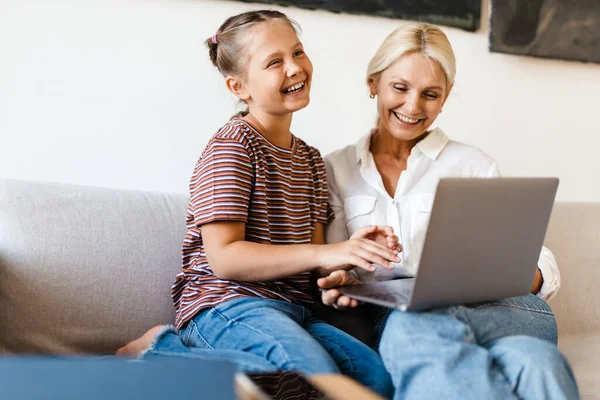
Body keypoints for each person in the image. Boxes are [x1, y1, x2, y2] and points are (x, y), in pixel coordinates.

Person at [116, 10, 398, 398]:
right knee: (312, 382)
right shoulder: (233, 145)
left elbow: (310, 263)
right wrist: (325, 251)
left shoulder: (313, 161)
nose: (295, 68)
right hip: (225, 306)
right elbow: (225, 258)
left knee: (376, 382)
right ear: (239, 86)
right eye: (274, 62)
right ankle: (157, 350)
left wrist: (345, 263)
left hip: (294, 312)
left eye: (297, 53)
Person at [317, 22, 580, 400]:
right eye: (400, 87)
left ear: (445, 98)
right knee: (533, 360)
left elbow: (541, 263)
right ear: (373, 82)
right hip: (393, 319)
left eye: (430, 94)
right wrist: (339, 280)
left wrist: (504, 274)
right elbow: (333, 265)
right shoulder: (335, 169)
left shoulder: (473, 166)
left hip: (502, 312)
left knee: (416, 326)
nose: (412, 106)